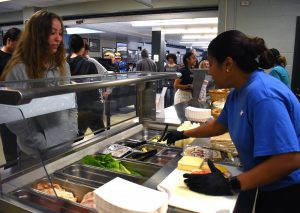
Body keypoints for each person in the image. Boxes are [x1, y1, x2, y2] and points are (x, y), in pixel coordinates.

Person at [163, 30, 300, 212]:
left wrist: (230, 184)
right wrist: (184, 133)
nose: (209, 71)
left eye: (211, 64)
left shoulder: (262, 95)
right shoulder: (238, 91)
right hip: (265, 182)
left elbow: (289, 159)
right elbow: (220, 124)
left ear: (228, 64)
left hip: (287, 192)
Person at [0, 10, 78, 156]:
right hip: (36, 152)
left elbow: (71, 101)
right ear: (37, 35)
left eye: (60, 33)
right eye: (52, 33)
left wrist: (72, 130)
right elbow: (14, 117)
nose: (58, 39)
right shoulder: (19, 68)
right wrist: (40, 142)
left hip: (65, 143)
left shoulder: (63, 65)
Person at [67, 34, 105, 137]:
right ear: (82, 48)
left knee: (77, 135)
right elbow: (95, 88)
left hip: (72, 107)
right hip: (89, 106)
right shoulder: (89, 64)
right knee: (101, 135)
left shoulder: (63, 64)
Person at [0, 27, 21, 165]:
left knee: (21, 141)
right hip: (4, 108)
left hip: (18, 106)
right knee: (9, 144)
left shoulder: (17, 59)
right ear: (9, 41)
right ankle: (12, 173)